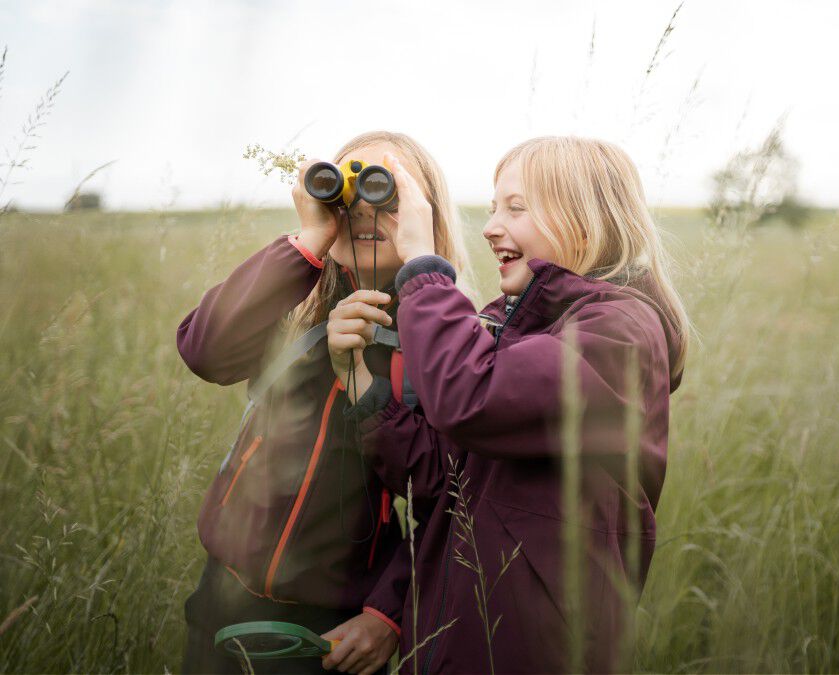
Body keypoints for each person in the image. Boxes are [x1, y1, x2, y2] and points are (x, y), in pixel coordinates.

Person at [333, 136, 689, 673]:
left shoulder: (619, 335)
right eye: (494, 206)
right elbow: (440, 477)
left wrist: (425, 270)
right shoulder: (520, 325)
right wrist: (361, 387)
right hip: (454, 642)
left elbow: (469, 399)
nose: (490, 226)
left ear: (585, 222)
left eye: (516, 208)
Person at [176, 131, 470, 675]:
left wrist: (388, 612)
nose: (363, 211)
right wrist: (310, 237)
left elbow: (452, 497)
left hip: (332, 629)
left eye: (388, 194)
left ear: (424, 214)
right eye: (346, 193)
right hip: (222, 595)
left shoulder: (446, 334)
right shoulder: (295, 301)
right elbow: (205, 351)